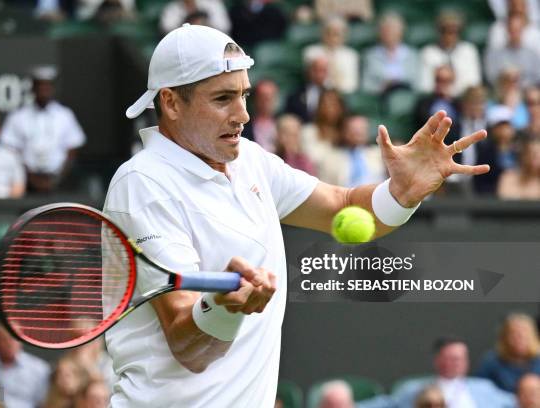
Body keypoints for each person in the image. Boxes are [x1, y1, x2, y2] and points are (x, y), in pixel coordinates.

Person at [105, 23, 489, 407]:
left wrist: (400, 192)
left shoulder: (249, 160)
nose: (242, 115)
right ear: (171, 103)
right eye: (222, 98)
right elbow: (188, 345)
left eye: (244, 95)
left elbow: (340, 206)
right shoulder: (143, 184)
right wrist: (223, 308)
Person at [360, 336, 516, 408]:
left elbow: (516, 402)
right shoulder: (415, 388)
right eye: (451, 358)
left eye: (460, 358)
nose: (456, 363)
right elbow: (387, 404)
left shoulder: (483, 387)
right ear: (437, 360)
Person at [0, 65, 86, 193]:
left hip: (58, 181)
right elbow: (10, 149)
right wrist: (29, 177)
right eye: (40, 86)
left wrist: (58, 177)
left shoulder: (65, 115)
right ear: (33, 88)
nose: (43, 90)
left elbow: (73, 148)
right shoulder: (18, 116)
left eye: (47, 86)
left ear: (52, 88)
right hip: (26, 182)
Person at [418, 10, 481, 97]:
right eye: (445, 30)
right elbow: (424, 87)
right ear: (438, 31)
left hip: (462, 100)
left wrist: (452, 90)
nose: (450, 35)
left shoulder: (468, 51)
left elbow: (473, 83)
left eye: (454, 30)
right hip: (435, 99)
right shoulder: (428, 53)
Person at [0, 324, 50, 408]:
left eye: (14, 338)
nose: (9, 343)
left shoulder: (39, 368)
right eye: (4, 339)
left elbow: (45, 402)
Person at [476, 313, 540, 393]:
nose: (519, 339)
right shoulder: (491, 362)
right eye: (513, 334)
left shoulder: (538, 361)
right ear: (504, 337)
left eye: (524, 334)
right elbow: (479, 391)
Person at [361, 12, 419, 95]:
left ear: (401, 32)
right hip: (379, 98)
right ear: (380, 33)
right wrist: (382, 87)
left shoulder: (412, 55)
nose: (389, 34)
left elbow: (417, 85)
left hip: (407, 97)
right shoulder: (370, 55)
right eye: (386, 30)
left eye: (393, 30)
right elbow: (366, 86)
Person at [321, 114, 385, 188]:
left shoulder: (380, 153)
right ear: (344, 132)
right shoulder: (330, 158)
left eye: (362, 128)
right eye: (354, 129)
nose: (358, 133)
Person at [303, 17, 359, 94]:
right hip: (318, 94)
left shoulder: (351, 55)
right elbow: (312, 80)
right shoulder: (311, 52)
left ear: (344, 36)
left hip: (343, 96)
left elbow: (351, 85)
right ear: (322, 33)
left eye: (336, 34)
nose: (332, 37)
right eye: (328, 32)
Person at [485, 13, 540, 89]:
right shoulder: (494, 54)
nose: (514, 33)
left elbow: (537, 78)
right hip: (501, 93)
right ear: (506, 29)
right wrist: (506, 77)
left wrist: (519, 81)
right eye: (512, 29)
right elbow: (491, 77)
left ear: (523, 30)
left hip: (527, 93)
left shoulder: (532, 54)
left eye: (517, 30)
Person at [474, 105, 518, 195]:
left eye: (507, 126)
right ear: (492, 129)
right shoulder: (484, 153)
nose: (504, 130)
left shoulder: (519, 151)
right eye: (500, 126)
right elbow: (479, 183)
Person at [285, 55, 330, 123]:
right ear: (308, 71)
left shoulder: (331, 96)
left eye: (322, 70)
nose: (318, 74)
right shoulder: (295, 95)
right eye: (315, 70)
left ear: (327, 73)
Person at [241, 79, 279, 152]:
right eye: (263, 96)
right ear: (255, 99)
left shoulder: (283, 123)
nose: (267, 100)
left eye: (270, 96)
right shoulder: (243, 126)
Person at [160, 0, 230, 34]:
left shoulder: (212, 3)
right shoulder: (171, 9)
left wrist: (204, 24)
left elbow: (224, 27)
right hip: (184, 45)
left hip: (212, 41)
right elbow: (167, 30)